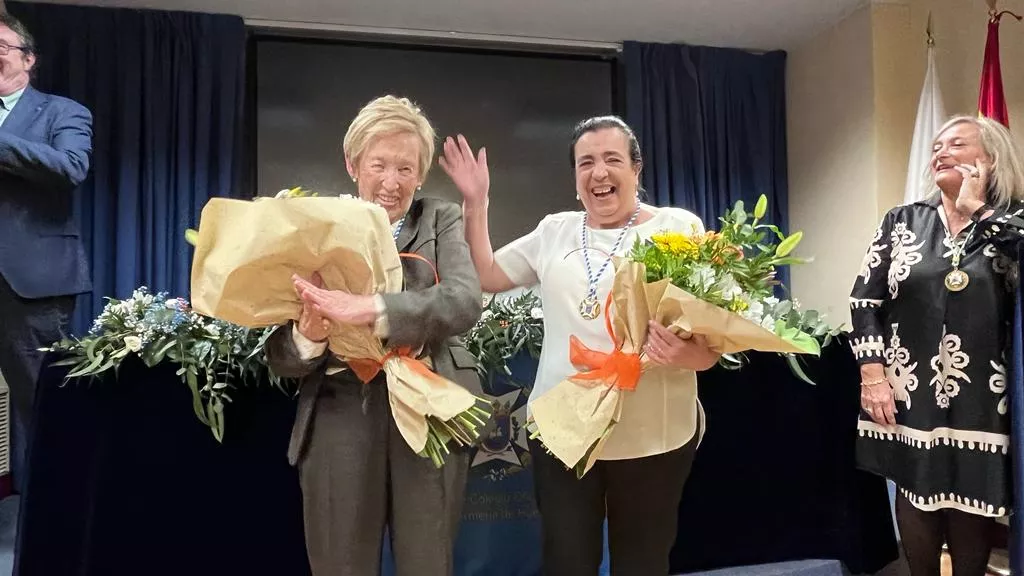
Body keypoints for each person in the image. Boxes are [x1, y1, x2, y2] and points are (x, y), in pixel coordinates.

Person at [443, 116, 720, 576]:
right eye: (585, 162)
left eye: (612, 159)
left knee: (642, 563)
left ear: (636, 169)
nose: (599, 172)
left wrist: (685, 354)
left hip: (653, 434)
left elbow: (709, 347)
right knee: (567, 560)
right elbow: (487, 274)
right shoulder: (555, 231)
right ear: (575, 178)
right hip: (563, 430)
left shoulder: (678, 228)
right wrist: (476, 202)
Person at [264, 95, 482, 576]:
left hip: (427, 408)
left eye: (406, 168)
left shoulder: (440, 218)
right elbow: (279, 356)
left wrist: (373, 309)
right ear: (352, 165)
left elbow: (464, 299)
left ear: (421, 174)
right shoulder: (315, 226)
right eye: (379, 165)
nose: (391, 181)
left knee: (428, 564)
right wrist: (309, 336)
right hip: (339, 408)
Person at [850, 115, 1024, 576]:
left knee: (973, 498)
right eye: (936, 147)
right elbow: (864, 300)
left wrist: (977, 209)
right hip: (907, 387)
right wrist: (873, 376)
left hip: (986, 393)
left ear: (990, 158)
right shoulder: (902, 221)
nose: (941, 153)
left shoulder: (1012, 219)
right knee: (916, 493)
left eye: (957, 144)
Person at [0, 13, 92, 495]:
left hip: (31, 283)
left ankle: (59, 509)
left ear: (28, 59)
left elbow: (70, 166)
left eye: (1, 46)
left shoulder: (62, 111)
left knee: (43, 405)